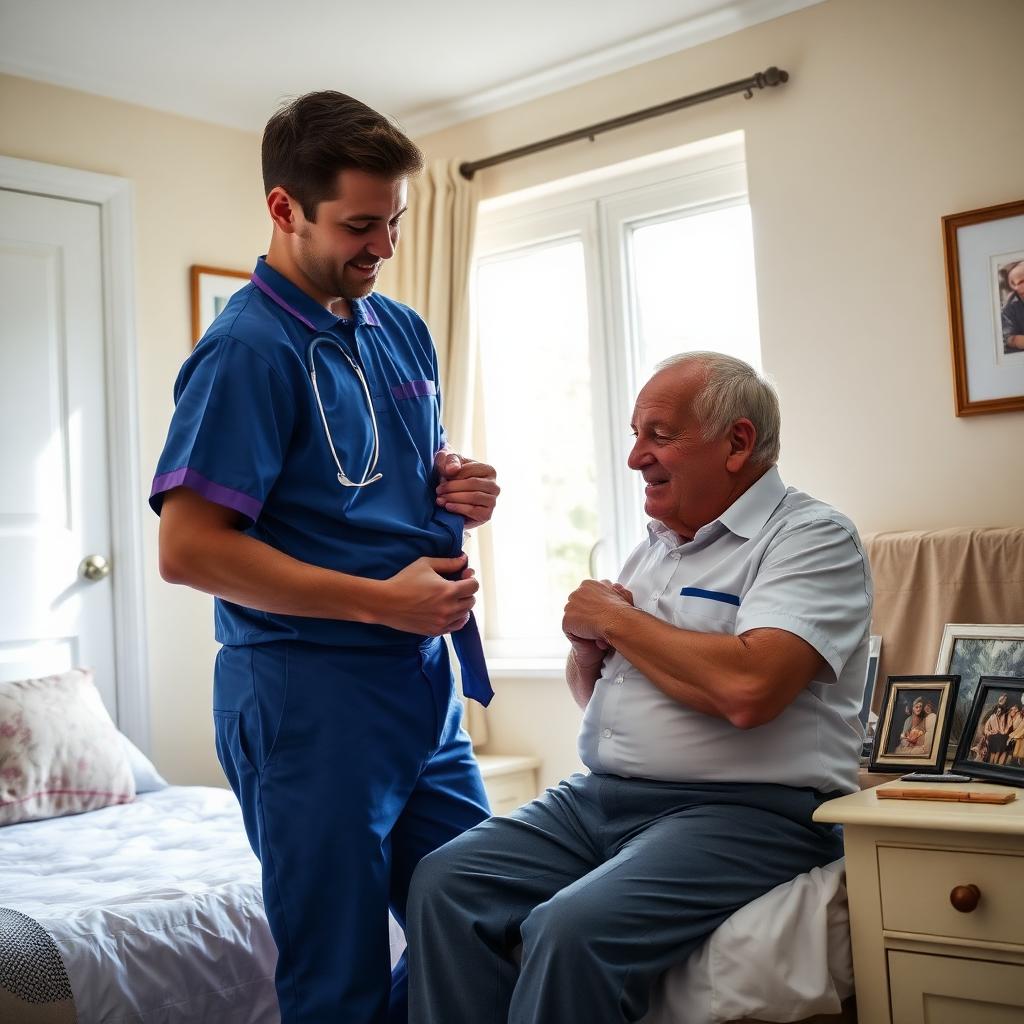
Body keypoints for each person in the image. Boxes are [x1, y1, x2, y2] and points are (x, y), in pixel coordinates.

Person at [151, 91, 500, 1024]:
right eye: (357, 225)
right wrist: (382, 603)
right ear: (283, 209)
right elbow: (187, 549)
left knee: (490, 920)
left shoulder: (402, 329)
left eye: (392, 222)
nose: (381, 246)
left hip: (423, 694)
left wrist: (456, 486)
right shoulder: (244, 352)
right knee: (336, 977)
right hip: (309, 697)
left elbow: (382, 476)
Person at [407, 352, 872, 1024]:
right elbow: (603, 700)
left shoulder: (811, 537)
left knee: (570, 930)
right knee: (445, 882)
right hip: (600, 799)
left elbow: (751, 688)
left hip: (748, 812)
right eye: (633, 435)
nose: (634, 458)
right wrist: (584, 648)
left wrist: (618, 621)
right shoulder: (654, 545)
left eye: (659, 436)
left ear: (737, 443)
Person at [1002, 261, 1024, 354]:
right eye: (1013, 284)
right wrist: (1015, 340)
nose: (1016, 288)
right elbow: (1007, 338)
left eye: (1021, 281)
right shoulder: (1010, 307)